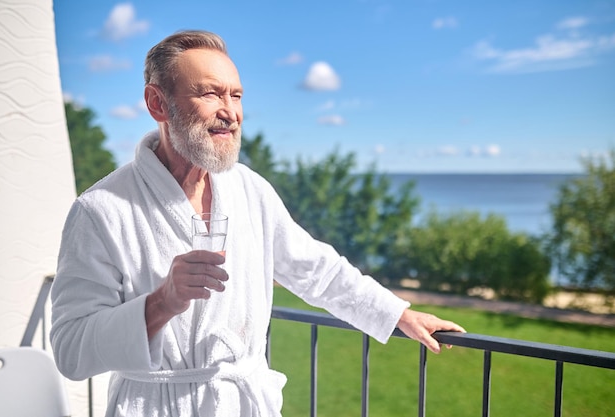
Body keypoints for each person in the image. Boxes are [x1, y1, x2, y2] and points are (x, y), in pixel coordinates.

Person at [50, 30, 465, 417]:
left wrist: (396, 314)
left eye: (236, 95)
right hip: (156, 406)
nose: (229, 112)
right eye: (210, 93)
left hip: (242, 403)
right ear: (158, 103)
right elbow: (70, 350)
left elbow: (315, 270)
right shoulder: (100, 210)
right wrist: (162, 302)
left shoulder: (249, 190)